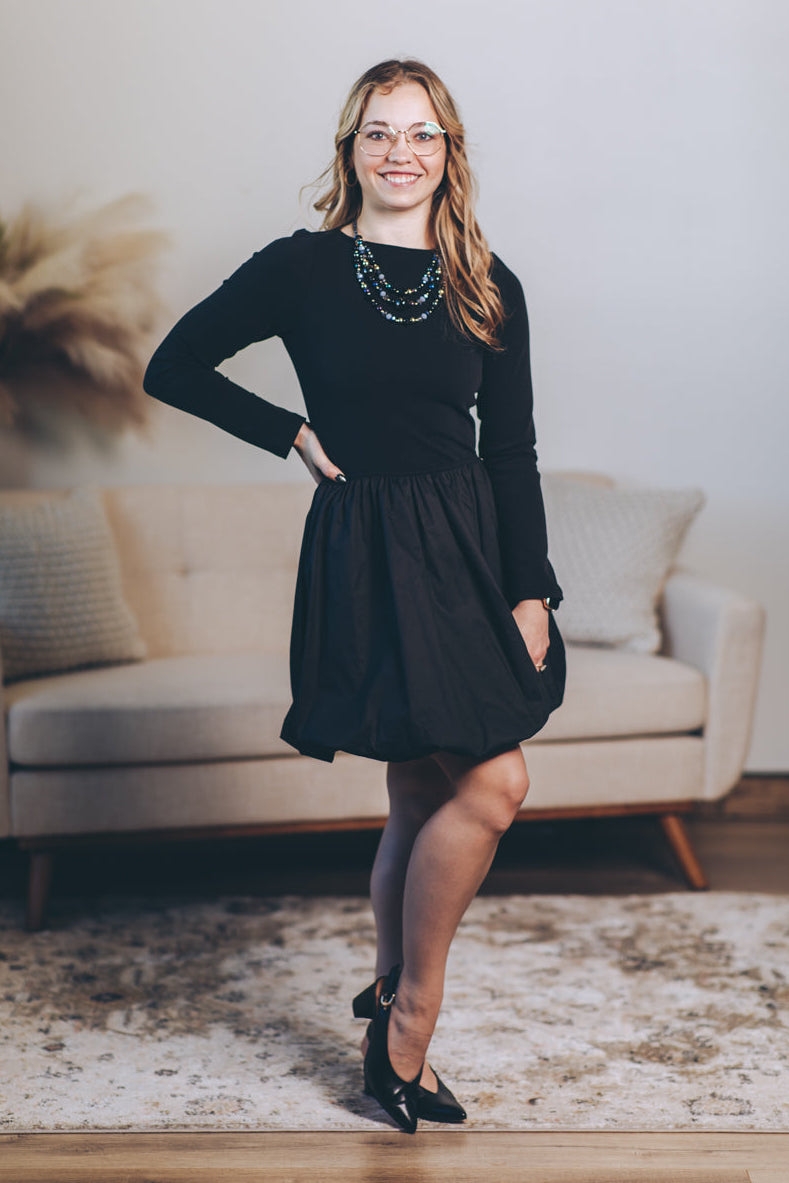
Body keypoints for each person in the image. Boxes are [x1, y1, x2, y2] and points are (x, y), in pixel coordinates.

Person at [143, 57, 566, 1135]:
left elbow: (511, 451)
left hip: (467, 555)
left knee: (433, 791)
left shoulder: (490, 281)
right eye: (379, 132)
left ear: (449, 153)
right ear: (351, 149)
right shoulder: (302, 267)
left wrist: (530, 591)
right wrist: (287, 430)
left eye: (422, 134)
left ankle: (388, 1000)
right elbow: (172, 365)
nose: (400, 152)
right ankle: (410, 1018)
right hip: (366, 549)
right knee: (486, 782)